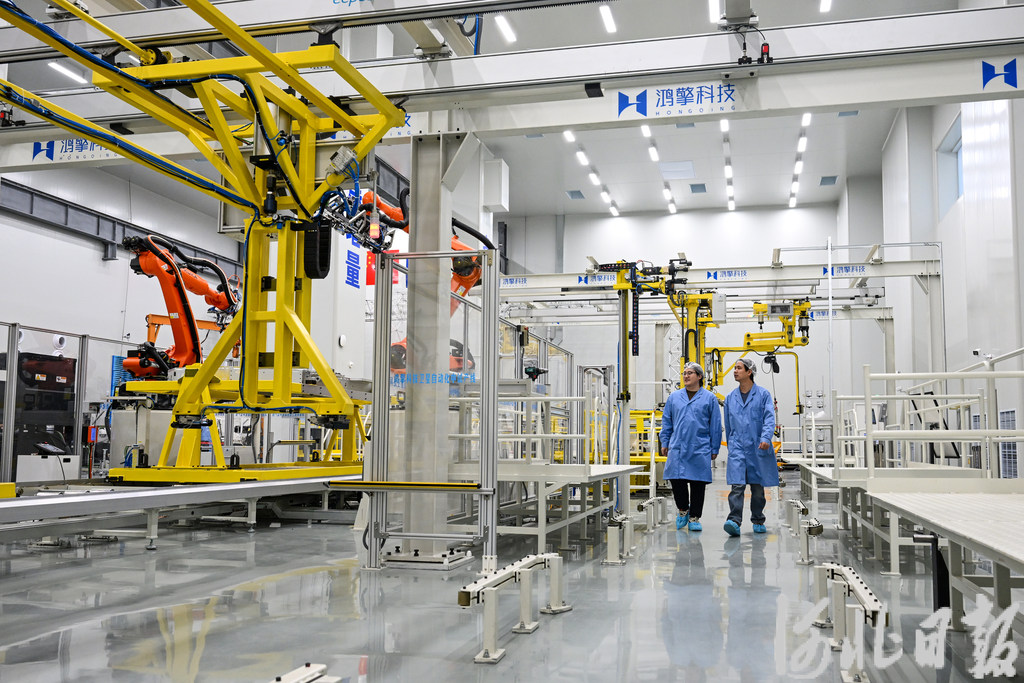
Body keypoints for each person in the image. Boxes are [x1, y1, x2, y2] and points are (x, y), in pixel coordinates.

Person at [659, 362, 722, 532]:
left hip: (699, 446)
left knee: (698, 483)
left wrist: (715, 447)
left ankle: (694, 517)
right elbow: (667, 421)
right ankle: (683, 509)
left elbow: (715, 425)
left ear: (699, 376)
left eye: (690, 373)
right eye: (684, 373)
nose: (686, 376)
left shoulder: (709, 398)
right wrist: (665, 441)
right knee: (676, 479)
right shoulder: (674, 397)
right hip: (678, 445)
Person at [723, 358, 776, 536]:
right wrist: (731, 444)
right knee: (737, 486)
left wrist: (766, 437)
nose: (735, 371)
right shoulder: (730, 398)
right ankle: (734, 520)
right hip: (737, 446)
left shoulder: (763, 395)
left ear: (749, 372)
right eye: (735, 368)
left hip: (757, 446)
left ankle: (758, 519)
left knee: (757, 488)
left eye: (739, 368)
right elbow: (728, 424)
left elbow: (769, 418)